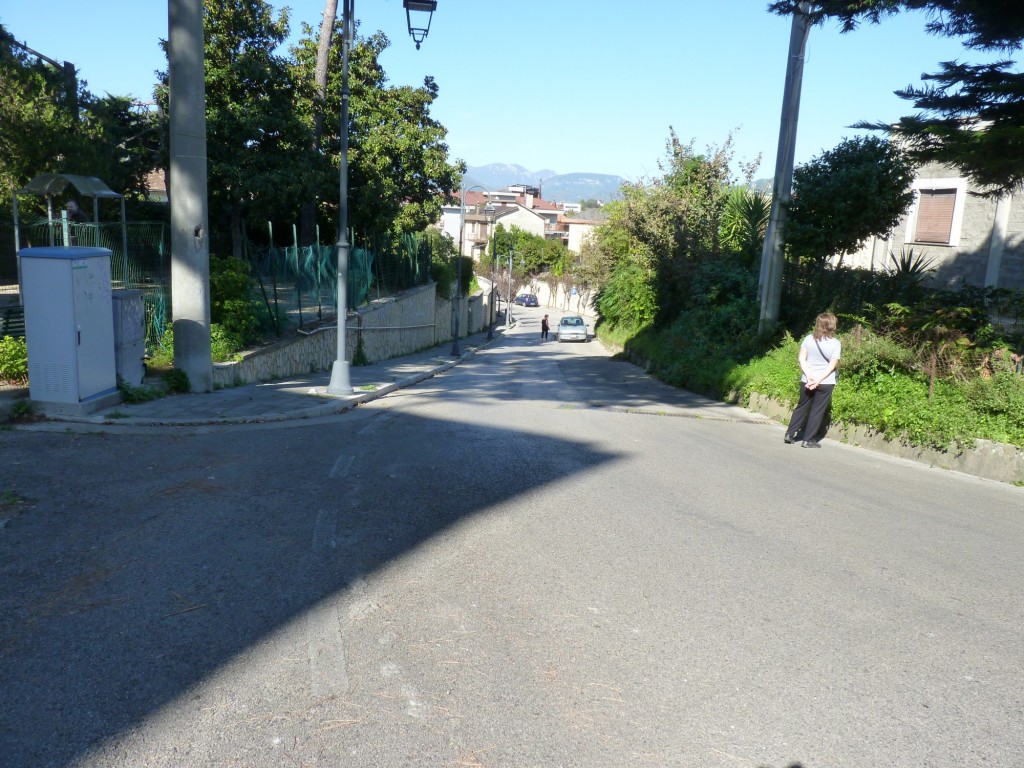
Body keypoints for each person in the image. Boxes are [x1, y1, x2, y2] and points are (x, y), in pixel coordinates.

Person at [785, 312, 841, 448]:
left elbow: (801, 359)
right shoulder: (835, 343)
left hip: (807, 380)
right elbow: (832, 365)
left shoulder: (808, 339)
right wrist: (818, 380)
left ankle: (789, 434)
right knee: (817, 410)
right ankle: (808, 440)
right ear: (832, 325)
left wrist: (809, 376)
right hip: (825, 382)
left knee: (801, 406)